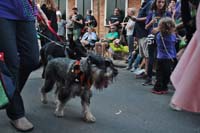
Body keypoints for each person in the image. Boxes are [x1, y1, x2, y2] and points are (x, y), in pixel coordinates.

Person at [0, 0, 39, 132]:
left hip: (25, 11)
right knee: (12, 63)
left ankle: (10, 93)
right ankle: (16, 113)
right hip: (2, 10)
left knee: (32, 59)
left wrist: (36, 9)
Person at [169, 3, 200, 112]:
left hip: (192, 32)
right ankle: (181, 96)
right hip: (191, 32)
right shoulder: (185, 6)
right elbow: (188, 21)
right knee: (193, 65)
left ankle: (182, 96)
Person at [143, 0, 171, 85]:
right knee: (151, 58)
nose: (160, 4)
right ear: (155, 3)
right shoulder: (151, 13)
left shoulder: (167, 13)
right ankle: (149, 78)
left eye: (162, 2)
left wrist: (159, 29)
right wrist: (151, 23)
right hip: (152, 38)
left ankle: (161, 79)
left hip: (163, 39)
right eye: (159, 2)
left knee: (161, 58)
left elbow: (171, 26)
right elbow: (146, 27)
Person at [151, 17, 176, 94]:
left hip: (160, 57)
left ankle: (157, 88)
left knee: (159, 74)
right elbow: (174, 42)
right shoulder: (172, 36)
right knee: (167, 73)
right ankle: (164, 87)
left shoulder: (159, 35)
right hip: (169, 58)